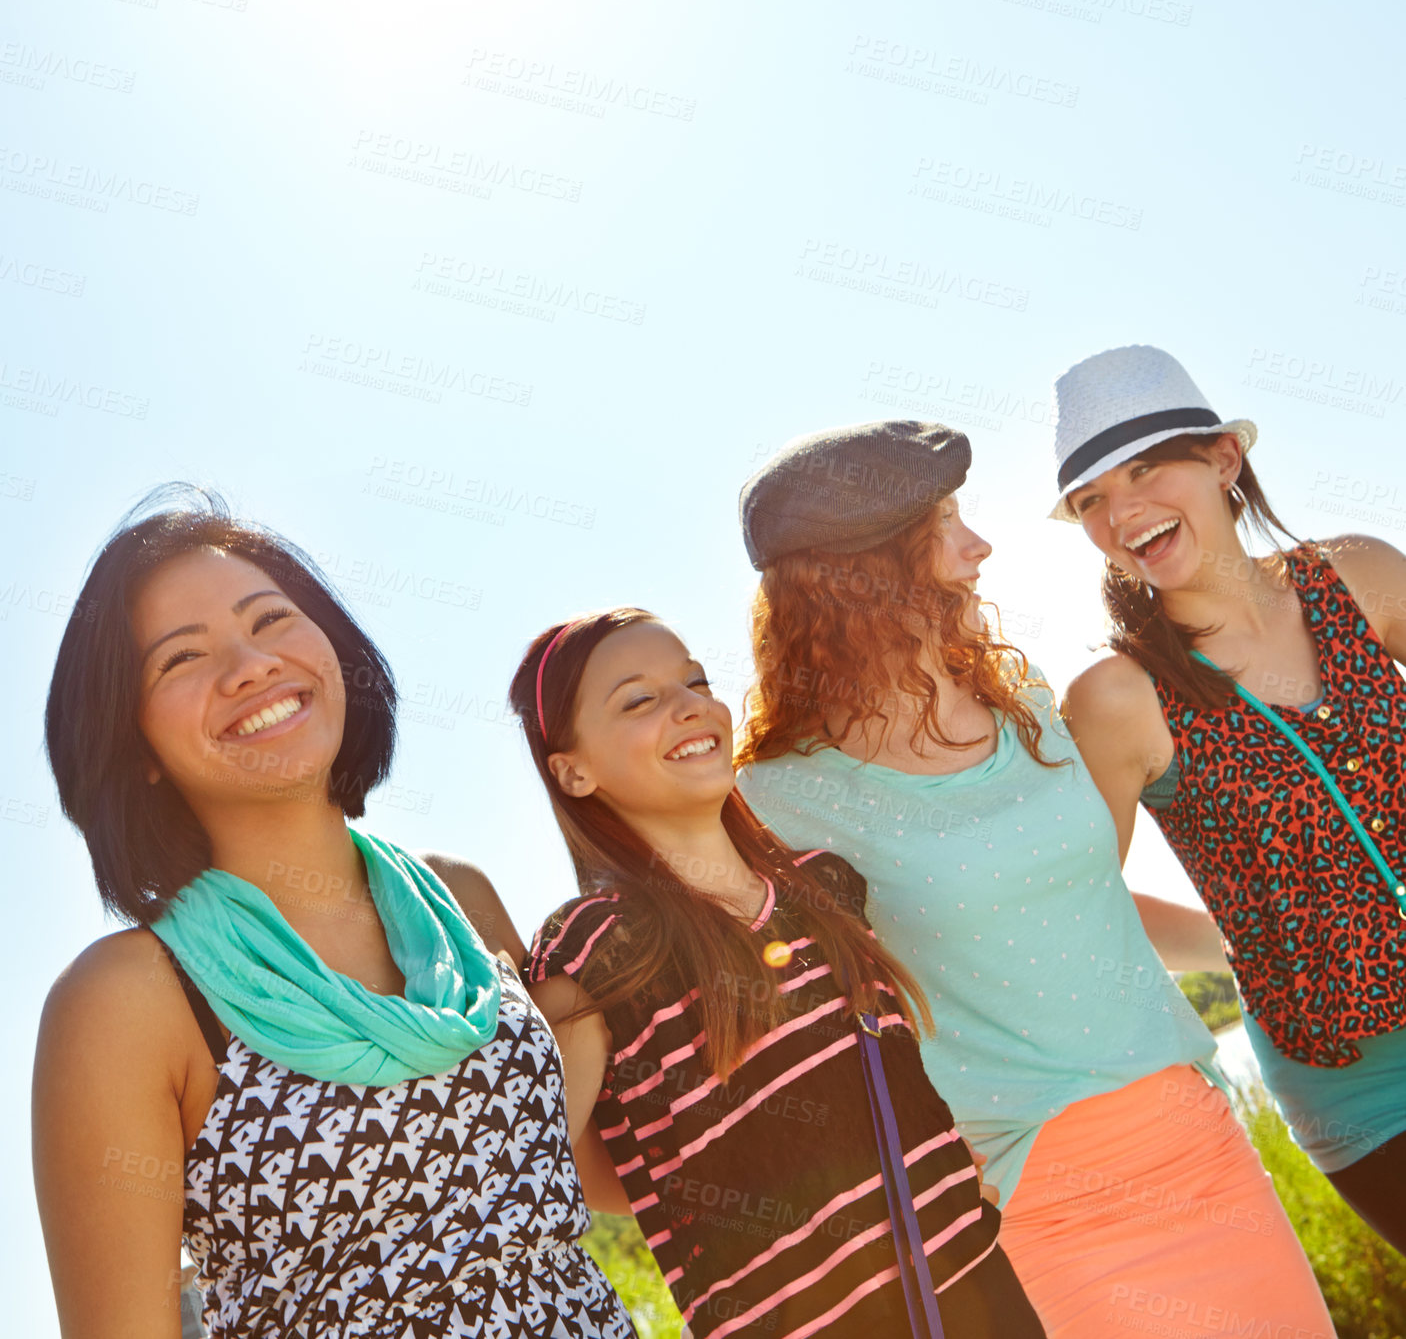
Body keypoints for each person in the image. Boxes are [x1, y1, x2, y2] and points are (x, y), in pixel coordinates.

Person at [734, 421, 1337, 1337]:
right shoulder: (780, 798)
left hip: (1194, 1133)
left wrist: (1252, 945)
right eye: (943, 525)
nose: (978, 547)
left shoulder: (1027, 704)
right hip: (1039, 1191)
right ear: (859, 573)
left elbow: (1082, 904)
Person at [33, 487, 635, 1339]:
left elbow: (545, 1183)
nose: (250, 666)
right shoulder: (126, 1000)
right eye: (181, 659)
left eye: (270, 619)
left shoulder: (458, 903)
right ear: (133, 750)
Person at [512, 608, 1047, 1338]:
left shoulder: (826, 890)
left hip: (983, 1297)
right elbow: (545, 1165)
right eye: (639, 700)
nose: (689, 705)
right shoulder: (596, 952)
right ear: (572, 771)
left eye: (694, 680)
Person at [1053, 344, 1406, 1253]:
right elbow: (1077, 904)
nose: (1121, 511)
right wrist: (1245, 947)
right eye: (1092, 498)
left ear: (1223, 459)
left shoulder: (1362, 578)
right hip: (1364, 1089)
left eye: (1144, 468)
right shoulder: (1118, 697)